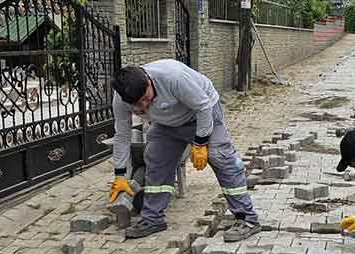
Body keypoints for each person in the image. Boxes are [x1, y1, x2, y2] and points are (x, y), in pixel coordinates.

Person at [109, 59, 261, 241]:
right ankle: (153, 218)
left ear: (149, 82)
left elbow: (204, 107)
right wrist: (119, 174)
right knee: (155, 158)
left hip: (202, 113)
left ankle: (247, 219)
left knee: (220, 157)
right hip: (166, 124)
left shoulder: (173, 77)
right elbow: (122, 135)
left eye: (145, 99)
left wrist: (199, 143)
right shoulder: (121, 98)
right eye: (136, 105)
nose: (142, 107)